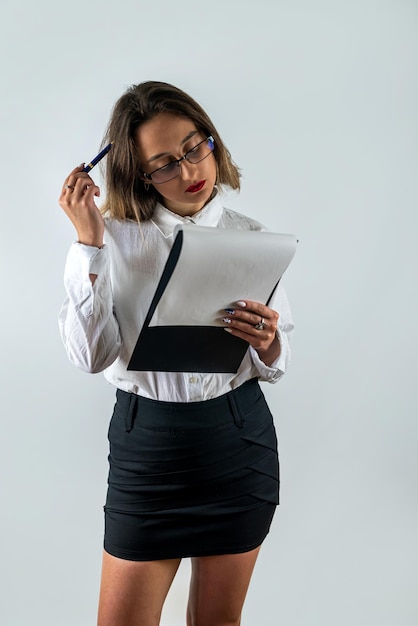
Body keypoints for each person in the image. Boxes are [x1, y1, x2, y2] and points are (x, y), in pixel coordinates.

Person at [58, 81, 294, 626]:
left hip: (237, 439)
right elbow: (91, 357)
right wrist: (88, 243)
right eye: (163, 164)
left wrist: (269, 341)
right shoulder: (110, 240)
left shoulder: (252, 237)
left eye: (194, 147)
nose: (190, 172)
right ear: (137, 174)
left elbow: (275, 361)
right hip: (149, 449)